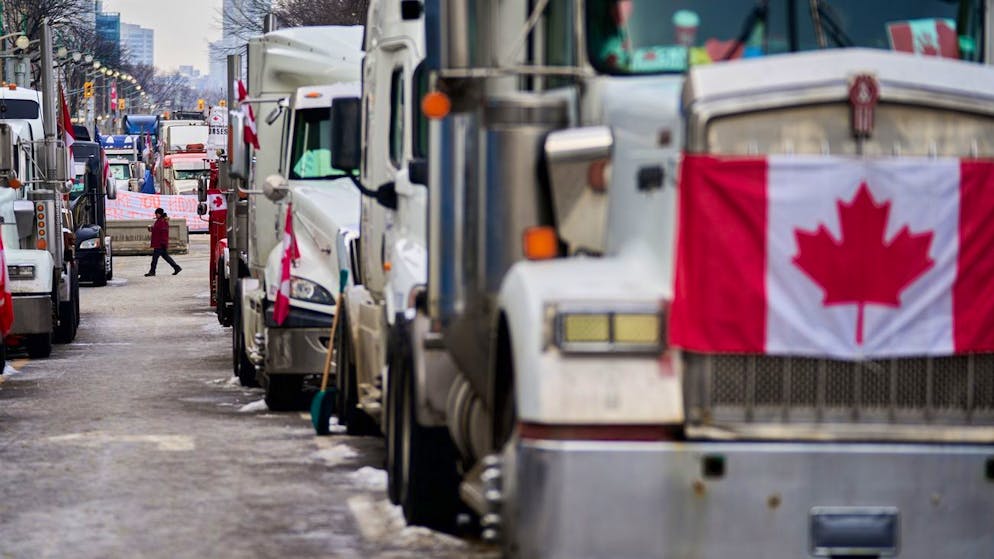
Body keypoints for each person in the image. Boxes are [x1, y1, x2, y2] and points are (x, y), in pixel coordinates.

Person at [145, 208, 181, 277]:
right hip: (159, 243)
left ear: (160, 214)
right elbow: (157, 230)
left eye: (157, 214)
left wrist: (163, 243)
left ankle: (152, 271)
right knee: (166, 257)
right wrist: (151, 229)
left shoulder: (163, 221)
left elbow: (164, 233)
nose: (156, 215)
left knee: (154, 259)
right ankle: (176, 268)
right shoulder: (159, 220)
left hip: (160, 244)